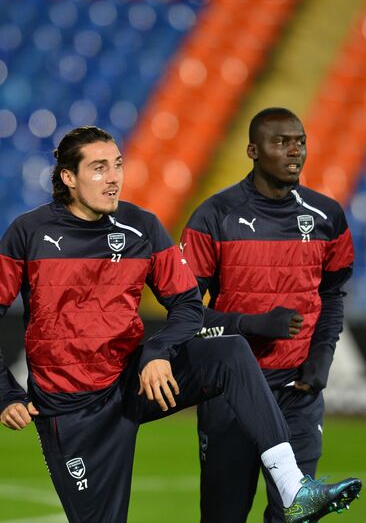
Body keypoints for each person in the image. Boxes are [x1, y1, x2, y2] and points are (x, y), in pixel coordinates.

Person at [0, 126, 360, 523]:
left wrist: (158, 351)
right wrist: (6, 394)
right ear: (69, 178)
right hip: (72, 411)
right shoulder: (27, 234)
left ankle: (293, 486)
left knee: (229, 351)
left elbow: (188, 303)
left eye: (117, 165)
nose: (114, 177)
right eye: (99, 168)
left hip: (132, 381)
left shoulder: (144, 228)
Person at [180, 107, 358, 523]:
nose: (295, 151)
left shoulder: (327, 217)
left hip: (296, 393)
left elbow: (332, 297)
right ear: (252, 150)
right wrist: (251, 325)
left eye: (300, 142)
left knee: (294, 515)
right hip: (228, 393)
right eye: (281, 142)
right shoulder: (214, 216)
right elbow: (185, 313)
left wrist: (321, 361)